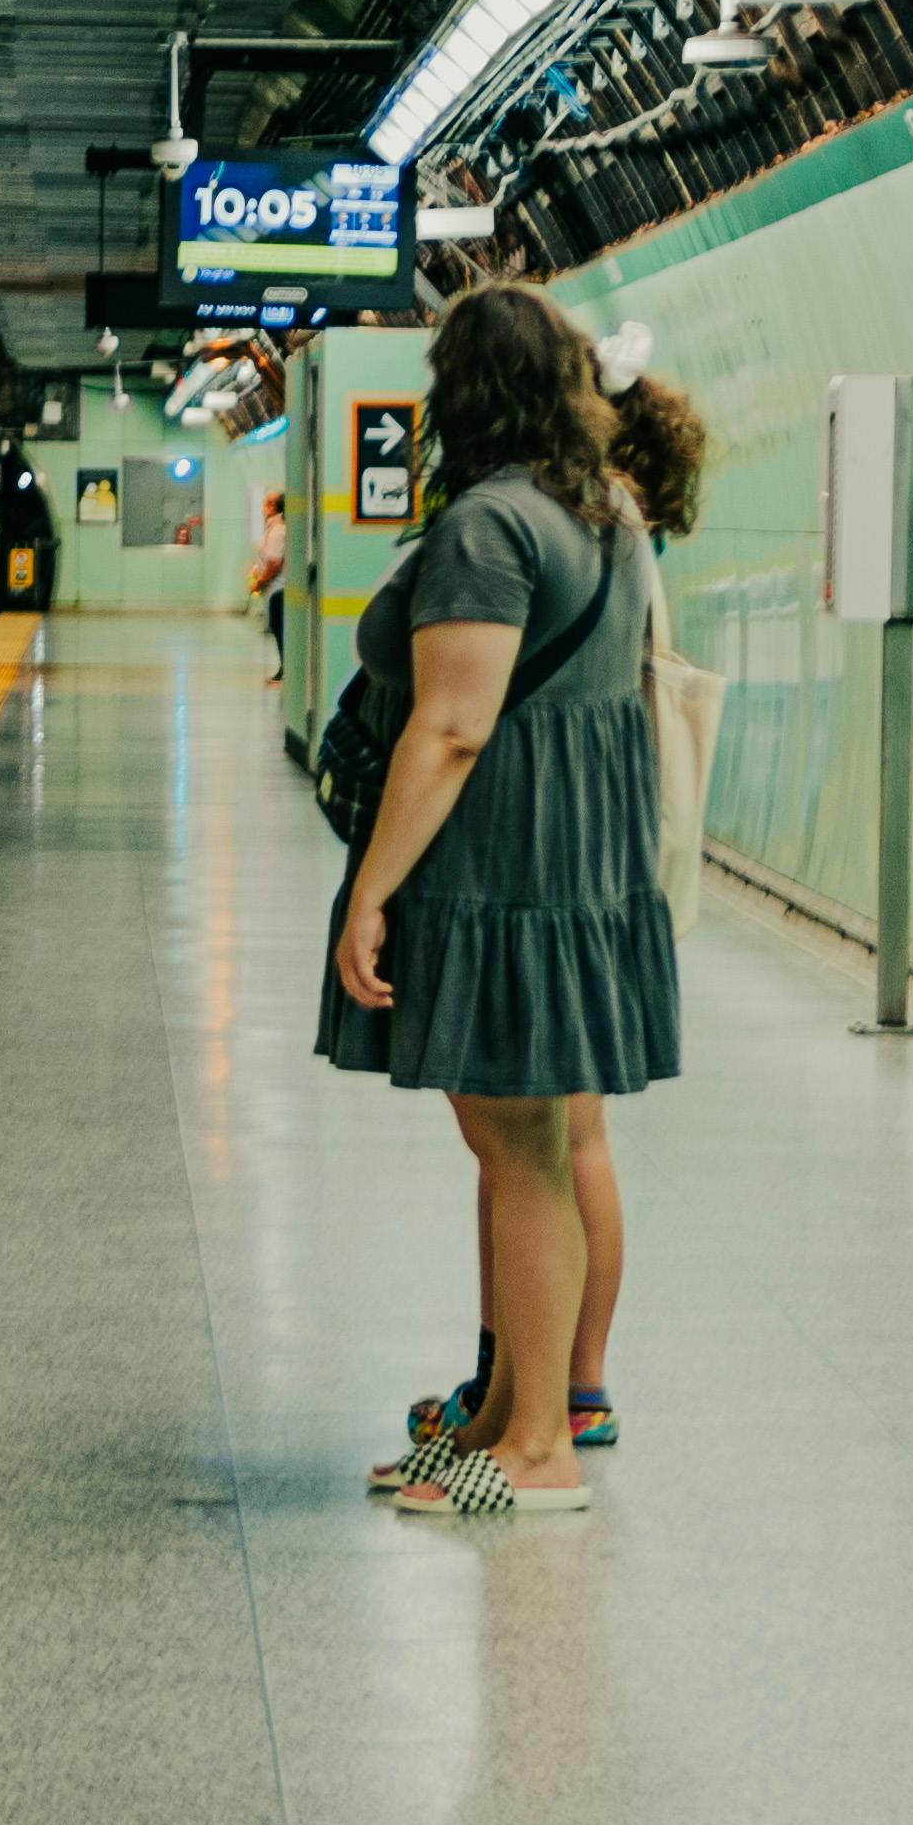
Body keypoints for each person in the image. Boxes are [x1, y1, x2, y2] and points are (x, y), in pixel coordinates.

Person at [330, 286, 681, 1521]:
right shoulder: (611, 514)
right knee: (512, 1143)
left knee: (522, 1147)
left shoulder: (490, 525)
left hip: (504, 868)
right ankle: (501, 1411)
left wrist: (371, 890)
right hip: (580, 863)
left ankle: (539, 1448)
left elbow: (456, 724)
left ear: (465, 393)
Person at [394, 361, 707, 1475]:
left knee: (556, 1144)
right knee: (547, 1145)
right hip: (596, 847)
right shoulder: (613, 520)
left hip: (558, 852)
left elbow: (466, 715)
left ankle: (564, 1394)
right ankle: (528, 1386)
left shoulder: (557, 524)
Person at [244, 485, 294, 679]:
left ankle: (286, 669)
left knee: (280, 628)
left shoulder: (277, 531)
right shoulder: (273, 529)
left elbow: (274, 564)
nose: (262, 507)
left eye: (266, 503)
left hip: (278, 588)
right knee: (276, 627)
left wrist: (260, 582)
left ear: (273, 506)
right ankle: (285, 668)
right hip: (273, 588)